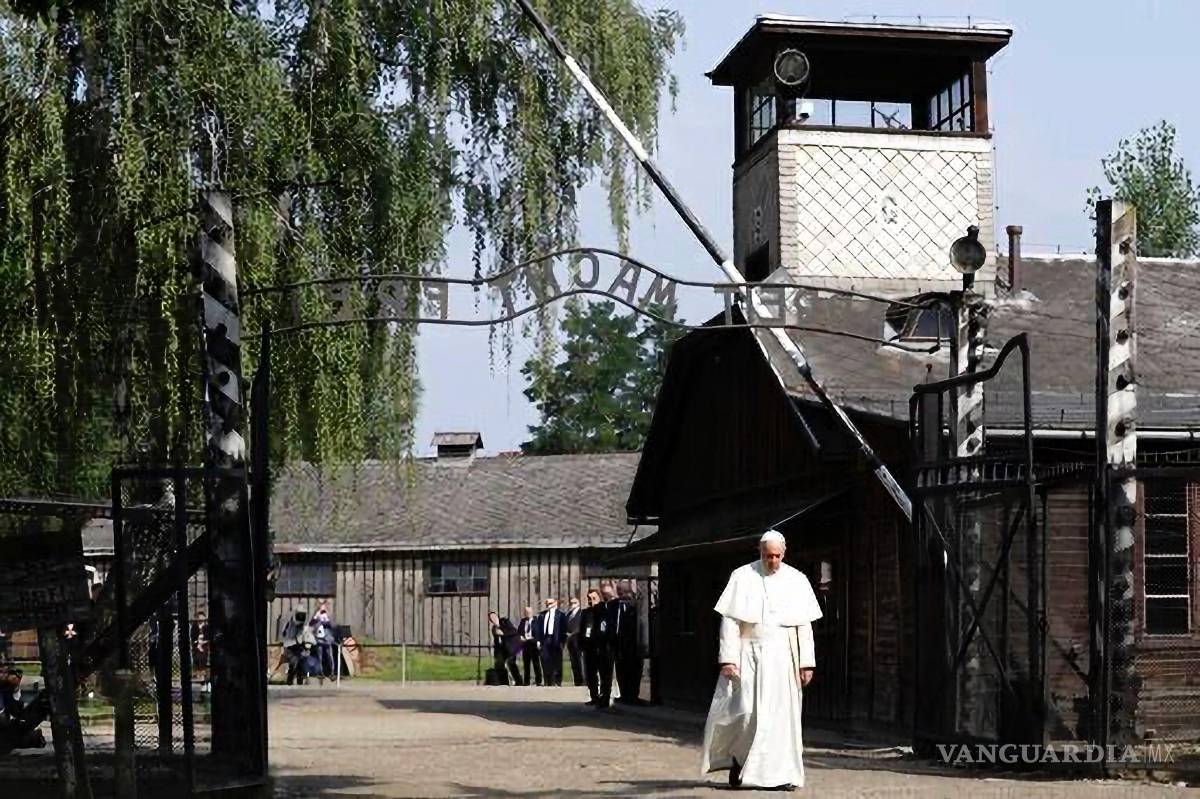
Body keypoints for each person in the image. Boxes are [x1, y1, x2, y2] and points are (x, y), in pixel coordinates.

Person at [701, 530, 821, 791]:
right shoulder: (742, 576)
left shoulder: (797, 580)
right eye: (768, 556)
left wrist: (806, 663)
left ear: (784, 553)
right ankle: (740, 762)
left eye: (777, 556)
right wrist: (728, 659)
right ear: (759, 551)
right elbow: (730, 622)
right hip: (749, 653)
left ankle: (782, 775)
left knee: (782, 718)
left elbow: (804, 626)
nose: (772, 561)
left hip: (784, 658)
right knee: (746, 713)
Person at [595, 581, 628, 709]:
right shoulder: (605, 607)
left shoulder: (623, 606)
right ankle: (605, 696)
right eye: (604, 595)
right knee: (605, 671)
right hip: (607, 642)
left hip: (621, 642)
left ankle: (625, 695)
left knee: (622, 670)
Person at [614, 581, 645, 705]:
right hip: (619, 644)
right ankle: (624, 694)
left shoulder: (635, 606)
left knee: (633, 671)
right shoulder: (615, 606)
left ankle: (632, 695)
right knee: (621, 670)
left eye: (621, 590)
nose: (620, 593)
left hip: (634, 643)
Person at [281, 607, 317, 685]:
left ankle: (300, 680)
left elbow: (310, 637)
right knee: (294, 661)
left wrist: (309, 642)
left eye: (302, 615)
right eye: (299, 615)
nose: (301, 617)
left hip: (300, 648)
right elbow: (285, 635)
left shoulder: (305, 626)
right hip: (290, 647)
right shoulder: (290, 624)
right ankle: (290, 679)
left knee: (301, 662)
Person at [580, 589, 603, 705]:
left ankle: (603, 696)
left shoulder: (603, 612)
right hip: (588, 647)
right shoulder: (586, 613)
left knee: (603, 673)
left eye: (594, 598)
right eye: (589, 599)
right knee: (590, 673)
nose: (591, 601)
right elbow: (582, 629)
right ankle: (594, 696)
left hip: (600, 646)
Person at [537, 598, 566, 687]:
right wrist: (538, 640)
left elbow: (563, 629)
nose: (548, 604)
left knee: (557, 660)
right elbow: (539, 628)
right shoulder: (542, 615)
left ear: (555, 603)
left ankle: (557, 681)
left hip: (556, 639)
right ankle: (547, 680)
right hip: (545, 639)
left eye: (550, 603)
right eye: (547, 603)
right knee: (545, 659)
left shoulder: (561, 615)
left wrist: (562, 642)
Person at [488, 611, 522, 685]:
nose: (493, 619)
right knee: (500, 663)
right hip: (504, 648)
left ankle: (519, 681)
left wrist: (503, 633)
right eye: (491, 618)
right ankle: (504, 681)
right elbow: (496, 641)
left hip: (514, 645)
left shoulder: (504, 621)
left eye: (494, 617)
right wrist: (496, 652)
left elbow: (514, 631)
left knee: (511, 662)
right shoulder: (494, 629)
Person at [310, 602, 337, 681]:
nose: (322, 612)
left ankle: (332, 673)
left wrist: (327, 618)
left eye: (323, 610)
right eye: (321, 610)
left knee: (330, 657)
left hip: (328, 640)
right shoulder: (316, 618)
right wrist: (316, 617)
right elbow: (311, 624)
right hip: (319, 640)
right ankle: (321, 673)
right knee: (320, 657)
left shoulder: (329, 617)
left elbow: (333, 625)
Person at [516, 606, 542, 686]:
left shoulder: (536, 621)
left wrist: (537, 641)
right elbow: (519, 631)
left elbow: (539, 632)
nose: (528, 614)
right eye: (526, 612)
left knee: (536, 663)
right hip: (525, 644)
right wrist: (520, 637)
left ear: (532, 612)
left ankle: (538, 681)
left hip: (533, 644)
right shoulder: (523, 621)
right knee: (526, 664)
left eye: (529, 612)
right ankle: (526, 681)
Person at [564, 597, 585, 687]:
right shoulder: (568, 614)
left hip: (578, 639)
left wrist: (572, 633)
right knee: (573, 661)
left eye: (575, 602)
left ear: (578, 603)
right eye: (571, 603)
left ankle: (583, 680)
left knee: (580, 660)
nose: (572, 604)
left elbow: (581, 626)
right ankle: (577, 680)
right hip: (570, 641)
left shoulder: (582, 613)